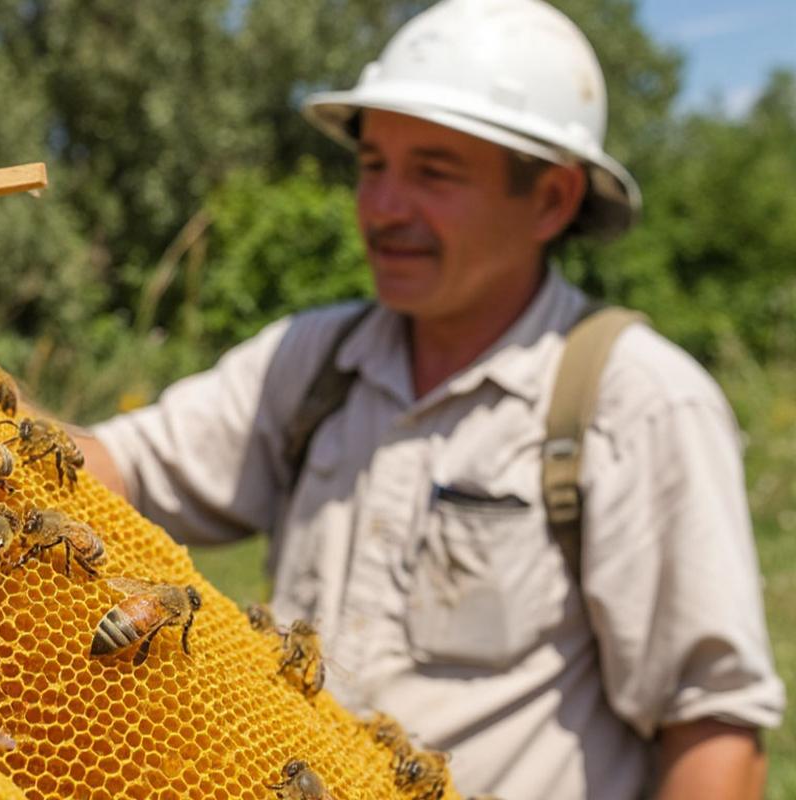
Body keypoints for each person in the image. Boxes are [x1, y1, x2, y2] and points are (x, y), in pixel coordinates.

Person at [70, 0, 786, 797]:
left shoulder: (637, 400)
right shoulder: (312, 359)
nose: (382, 208)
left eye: (434, 174)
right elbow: (107, 468)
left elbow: (714, 734)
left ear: (551, 199)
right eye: (374, 165)